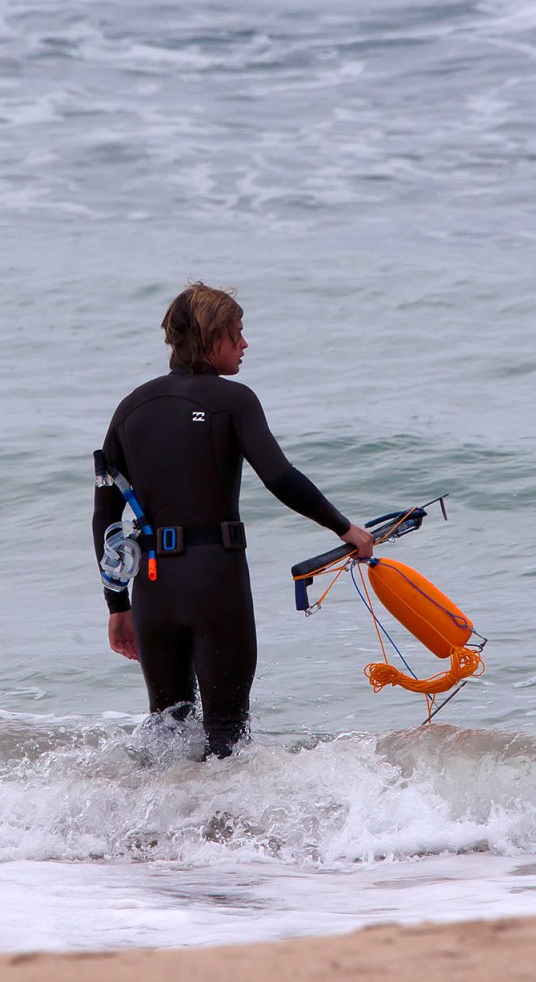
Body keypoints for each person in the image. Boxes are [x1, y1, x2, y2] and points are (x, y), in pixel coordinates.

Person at [92, 283, 373, 758]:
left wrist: (117, 604)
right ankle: (230, 831)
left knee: (168, 733)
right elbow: (281, 477)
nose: (245, 345)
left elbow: (105, 517)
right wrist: (346, 529)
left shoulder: (130, 408)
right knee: (227, 733)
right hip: (214, 579)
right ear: (214, 335)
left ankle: (158, 830)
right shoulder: (234, 400)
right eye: (238, 334)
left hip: (153, 588)